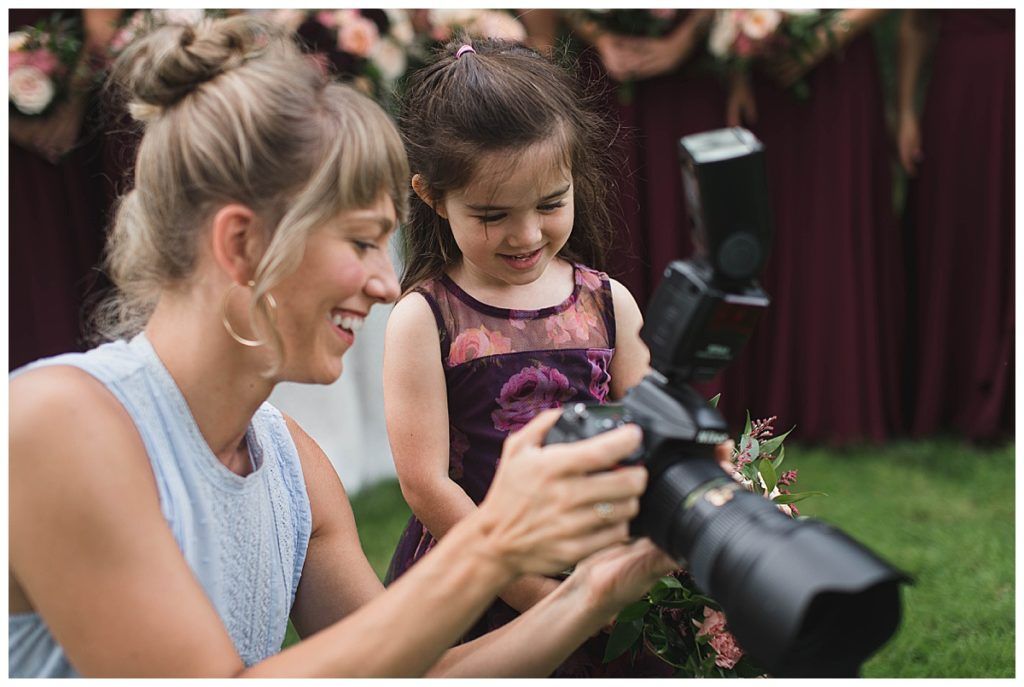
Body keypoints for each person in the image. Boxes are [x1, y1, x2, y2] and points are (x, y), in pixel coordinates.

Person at [8, 17, 689, 678]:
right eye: (363, 241)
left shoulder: (294, 468)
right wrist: (496, 540)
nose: (388, 283)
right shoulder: (60, 422)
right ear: (241, 244)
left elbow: (408, 676)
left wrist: (595, 589)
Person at [382, 38, 668, 676]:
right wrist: (537, 594)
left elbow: (653, 433)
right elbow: (426, 483)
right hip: (476, 573)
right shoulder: (426, 318)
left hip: (592, 553)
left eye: (549, 203)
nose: (527, 234)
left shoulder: (606, 302)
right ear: (431, 196)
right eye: (492, 214)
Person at [714, 9, 904, 444]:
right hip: (767, 70)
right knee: (767, 231)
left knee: (832, 231)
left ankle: (837, 402)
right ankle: (765, 400)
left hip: (840, 67)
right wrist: (740, 61)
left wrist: (825, 38)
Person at [896, 9, 1013, 441]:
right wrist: (906, 110)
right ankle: (951, 390)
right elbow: (914, 23)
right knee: (957, 234)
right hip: (958, 91)